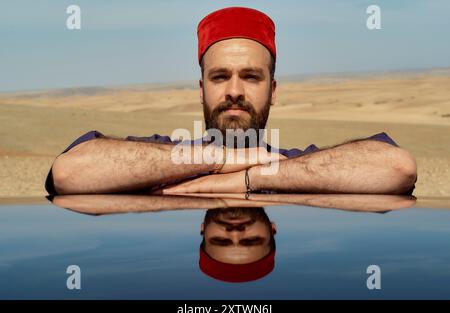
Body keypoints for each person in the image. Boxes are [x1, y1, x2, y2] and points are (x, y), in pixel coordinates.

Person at [45, 7, 417, 196]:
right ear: (201, 88)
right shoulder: (159, 156)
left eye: (251, 77)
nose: (234, 90)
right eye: (220, 76)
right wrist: (216, 158)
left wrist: (248, 179)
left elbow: (396, 167)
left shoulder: (290, 163)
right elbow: (69, 173)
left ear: (272, 90)